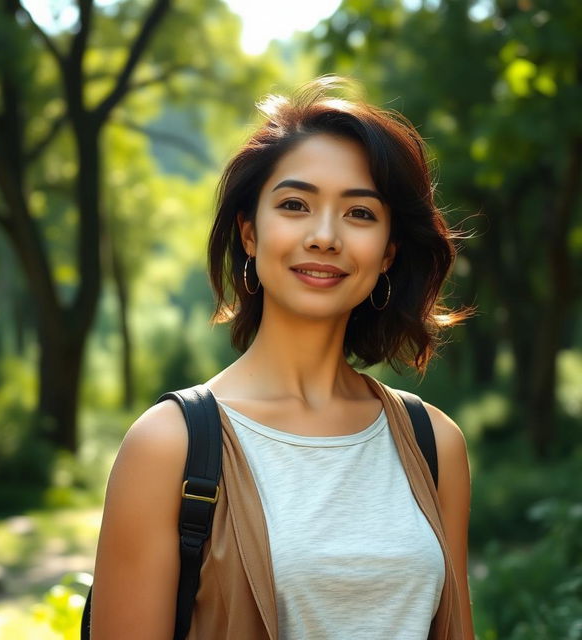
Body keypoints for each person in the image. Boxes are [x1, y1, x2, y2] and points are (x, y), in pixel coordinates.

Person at [90, 76, 475, 639]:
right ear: (250, 233)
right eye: (295, 205)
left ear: (388, 252)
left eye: (360, 214)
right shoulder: (168, 445)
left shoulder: (433, 444)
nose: (324, 236)